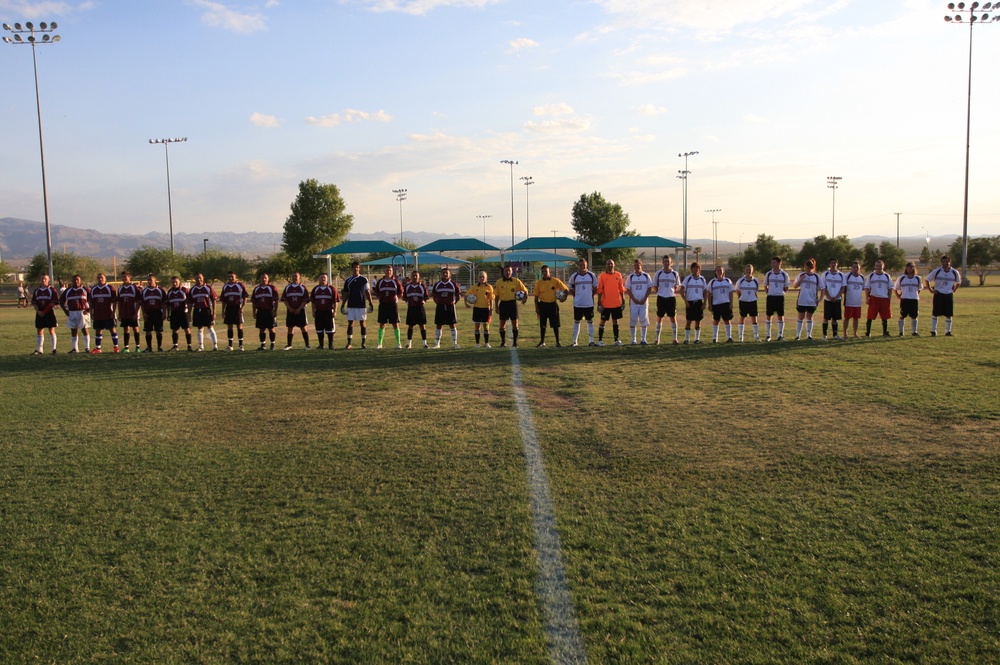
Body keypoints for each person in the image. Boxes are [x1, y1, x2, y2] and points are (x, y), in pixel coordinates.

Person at [925, 255, 961, 337]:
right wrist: (931, 290)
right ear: (941, 262)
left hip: (948, 294)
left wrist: (954, 290)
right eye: (943, 262)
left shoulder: (954, 272)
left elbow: (958, 282)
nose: (945, 263)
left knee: (949, 314)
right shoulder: (937, 271)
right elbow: (927, 280)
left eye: (947, 261)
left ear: (949, 262)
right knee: (935, 313)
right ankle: (933, 331)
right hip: (938, 293)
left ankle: (948, 331)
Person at [533, 264, 568, 347]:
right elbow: (536, 297)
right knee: (543, 325)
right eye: (543, 271)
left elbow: (566, 289)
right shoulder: (538, 283)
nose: (545, 273)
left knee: (555, 324)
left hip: (553, 305)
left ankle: (558, 342)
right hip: (543, 305)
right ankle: (542, 341)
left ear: (549, 271)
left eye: (546, 271)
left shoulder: (555, 281)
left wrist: (564, 298)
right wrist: (537, 308)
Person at [494, 264, 528, 348]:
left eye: (509, 270)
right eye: (506, 270)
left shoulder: (516, 281)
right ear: (503, 272)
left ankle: (515, 342)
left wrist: (525, 298)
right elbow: (496, 295)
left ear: (512, 272)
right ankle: (503, 342)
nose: (507, 272)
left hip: (513, 304)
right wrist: (496, 306)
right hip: (503, 304)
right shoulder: (499, 282)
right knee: (502, 323)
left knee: (515, 323)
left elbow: (525, 290)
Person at [341, 261, 373, 349]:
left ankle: (363, 343)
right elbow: (346, 294)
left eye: (357, 267)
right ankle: (349, 343)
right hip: (351, 305)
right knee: (350, 323)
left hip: (361, 304)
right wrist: (343, 304)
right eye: (354, 267)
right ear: (352, 268)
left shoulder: (364, 279)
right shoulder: (348, 280)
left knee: (362, 323)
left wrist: (370, 302)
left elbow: (367, 292)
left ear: (359, 268)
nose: (356, 268)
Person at [567, 258, 598, 346]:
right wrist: (576, 296)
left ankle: (591, 341)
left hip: (588, 303)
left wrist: (590, 295)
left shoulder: (591, 275)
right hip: (578, 303)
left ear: (586, 265)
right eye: (580, 265)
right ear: (578, 266)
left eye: (583, 265)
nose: (582, 266)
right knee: (577, 321)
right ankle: (574, 341)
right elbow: (571, 288)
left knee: (590, 321)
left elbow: (595, 287)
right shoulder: (574, 276)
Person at [652, 255, 681, 345]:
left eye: (668, 261)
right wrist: (661, 293)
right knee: (659, 317)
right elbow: (654, 286)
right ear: (662, 262)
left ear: (671, 263)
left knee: (673, 317)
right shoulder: (658, 273)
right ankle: (657, 339)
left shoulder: (675, 274)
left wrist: (670, 292)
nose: (666, 263)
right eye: (665, 261)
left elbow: (677, 286)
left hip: (671, 298)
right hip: (661, 298)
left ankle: (675, 339)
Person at [596, 259, 626, 346]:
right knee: (603, 321)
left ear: (614, 265)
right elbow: (600, 289)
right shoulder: (602, 276)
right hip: (606, 303)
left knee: (615, 321)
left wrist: (623, 299)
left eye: (611, 264)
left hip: (616, 303)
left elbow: (621, 288)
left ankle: (616, 340)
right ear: (606, 265)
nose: (610, 265)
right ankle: (600, 341)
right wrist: (599, 301)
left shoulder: (618, 275)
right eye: (608, 264)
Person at [431, 267, 462, 349]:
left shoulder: (454, 284)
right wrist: (438, 302)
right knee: (439, 325)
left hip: (450, 306)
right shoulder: (437, 284)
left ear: (449, 274)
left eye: (446, 273)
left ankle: (455, 343)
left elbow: (458, 296)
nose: (445, 274)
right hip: (440, 306)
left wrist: (453, 303)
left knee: (452, 324)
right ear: (441, 274)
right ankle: (437, 344)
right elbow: (434, 296)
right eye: (443, 273)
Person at [374, 266, 404, 349]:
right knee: (382, 324)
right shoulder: (380, 282)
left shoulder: (395, 281)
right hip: (383, 305)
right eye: (387, 270)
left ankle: (398, 343)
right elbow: (376, 292)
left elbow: (401, 292)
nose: (388, 272)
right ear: (384, 271)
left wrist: (397, 298)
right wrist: (380, 298)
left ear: (392, 271)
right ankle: (379, 343)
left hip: (393, 305)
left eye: (390, 270)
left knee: (395, 323)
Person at [60, 274, 91, 353]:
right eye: (74, 280)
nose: (76, 281)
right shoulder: (68, 290)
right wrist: (65, 310)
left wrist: (88, 310)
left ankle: (87, 348)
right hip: (72, 312)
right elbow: (61, 301)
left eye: (77, 279)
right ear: (72, 281)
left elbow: (92, 300)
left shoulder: (85, 290)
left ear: (80, 280)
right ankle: (75, 348)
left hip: (83, 312)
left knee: (84, 329)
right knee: (74, 330)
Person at [89, 272, 119, 354]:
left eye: (102, 277)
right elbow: (91, 302)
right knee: (98, 330)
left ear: (105, 278)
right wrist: (91, 312)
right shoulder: (94, 289)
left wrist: (113, 312)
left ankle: (116, 347)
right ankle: (98, 348)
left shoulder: (110, 288)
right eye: (99, 278)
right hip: (98, 313)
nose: (100, 279)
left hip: (108, 313)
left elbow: (114, 302)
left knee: (112, 329)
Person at [624, 259, 652, 345]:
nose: (636, 267)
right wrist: (634, 299)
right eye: (635, 265)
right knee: (633, 320)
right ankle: (633, 339)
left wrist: (644, 299)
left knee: (643, 320)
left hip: (644, 302)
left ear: (641, 265)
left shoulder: (646, 276)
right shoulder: (631, 276)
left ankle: (643, 339)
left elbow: (649, 288)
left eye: (638, 265)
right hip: (634, 303)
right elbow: (628, 289)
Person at [792, 259, 821, 340]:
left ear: (813, 268)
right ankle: (798, 335)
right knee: (800, 317)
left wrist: (820, 298)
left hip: (812, 301)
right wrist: (800, 280)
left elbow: (822, 288)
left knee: (809, 317)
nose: (807, 270)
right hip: (802, 300)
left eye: (809, 268)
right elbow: (794, 286)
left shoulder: (816, 276)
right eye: (806, 268)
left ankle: (809, 335)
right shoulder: (801, 275)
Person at [281, 272, 311, 350]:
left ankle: (307, 345)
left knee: (303, 327)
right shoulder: (288, 287)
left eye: (296, 276)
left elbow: (305, 300)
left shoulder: (302, 287)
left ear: (299, 277)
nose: (295, 277)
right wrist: (290, 308)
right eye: (293, 276)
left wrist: (299, 309)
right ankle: (289, 345)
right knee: (290, 327)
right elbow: (284, 299)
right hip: (290, 310)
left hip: (300, 310)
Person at [220, 270, 249, 351]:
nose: (231, 278)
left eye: (232, 276)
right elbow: (223, 300)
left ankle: (241, 345)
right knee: (229, 326)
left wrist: (242, 307)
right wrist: (223, 310)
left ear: (236, 277)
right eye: (229, 276)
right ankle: (230, 345)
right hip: (229, 308)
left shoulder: (240, 285)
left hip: (237, 307)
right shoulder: (225, 286)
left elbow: (245, 296)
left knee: (239, 325)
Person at [189, 273, 219, 351]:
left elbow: (214, 300)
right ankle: (201, 346)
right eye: (196, 278)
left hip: (206, 309)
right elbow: (190, 302)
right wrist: (189, 313)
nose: (198, 279)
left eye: (200, 278)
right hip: (197, 310)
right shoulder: (192, 289)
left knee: (210, 327)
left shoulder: (208, 288)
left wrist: (214, 312)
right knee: (200, 328)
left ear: (203, 278)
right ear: (194, 279)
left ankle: (215, 346)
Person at [31, 274, 60, 355]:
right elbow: (34, 303)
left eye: (45, 279)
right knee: (39, 330)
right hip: (39, 312)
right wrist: (38, 311)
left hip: (49, 312)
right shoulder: (37, 291)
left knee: (51, 329)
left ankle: (54, 349)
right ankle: (40, 349)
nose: (43, 280)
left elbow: (53, 302)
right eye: (42, 279)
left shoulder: (52, 290)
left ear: (48, 280)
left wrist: (44, 311)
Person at [465, 271, 495, 348]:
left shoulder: (489, 287)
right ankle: (477, 343)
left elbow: (491, 299)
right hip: (477, 309)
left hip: (486, 309)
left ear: (486, 278)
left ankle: (487, 343)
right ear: (478, 278)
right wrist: (466, 303)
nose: (481, 278)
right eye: (480, 277)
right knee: (477, 326)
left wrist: (491, 309)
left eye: (483, 277)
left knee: (486, 326)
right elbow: (466, 295)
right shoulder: (475, 287)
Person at [864, 259, 893, 337]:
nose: (878, 267)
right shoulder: (871, 275)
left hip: (884, 298)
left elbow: (890, 288)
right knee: (870, 316)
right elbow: (867, 288)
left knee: (885, 316)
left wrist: (889, 298)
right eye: (877, 266)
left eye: (880, 266)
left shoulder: (887, 276)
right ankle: (868, 332)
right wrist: (867, 298)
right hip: (874, 298)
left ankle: (885, 332)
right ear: (875, 266)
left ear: (883, 266)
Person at [764, 256, 790, 341]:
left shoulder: (784, 274)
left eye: (774, 262)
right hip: (771, 297)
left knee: (780, 315)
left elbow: (786, 287)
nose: (772, 264)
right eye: (772, 262)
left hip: (780, 297)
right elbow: (765, 285)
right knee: (769, 315)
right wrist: (769, 292)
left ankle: (780, 335)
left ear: (779, 263)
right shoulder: (769, 274)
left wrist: (780, 292)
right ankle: (768, 335)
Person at [311, 273, 340, 349]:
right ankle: (321, 345)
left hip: (328, 312)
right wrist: (313, 311)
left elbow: (335, 301)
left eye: (324, 278)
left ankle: (331, 344)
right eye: (321, 278)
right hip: (319, 311)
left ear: (327, 279)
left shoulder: (332, 289)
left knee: (330, 329)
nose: (323, 279)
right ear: (319, 279)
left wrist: (335, 311)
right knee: (319, 329)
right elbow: (313, 302)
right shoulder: (315, 289)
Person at [706, 265, 735, 343]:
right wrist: (710, 305)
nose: (719, 271)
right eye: (717, 270)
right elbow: (708, 293)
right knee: (716, 321)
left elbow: (731, 292)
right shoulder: (712, 282)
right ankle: (715, 338)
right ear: (715, 272)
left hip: (726, 303)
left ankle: (729, 337)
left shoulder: (727, 281)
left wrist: (731, 303)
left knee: (727, 320)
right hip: (716, 304)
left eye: (720, 270)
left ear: (723, 271)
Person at [680, 262, 707, 344]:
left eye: (697, 268)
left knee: (698, 321)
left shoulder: (702, 279)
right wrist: (685, 301)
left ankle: (697, 339)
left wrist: (704, 303)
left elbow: (705, 291)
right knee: (689, 321)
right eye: (694, 268)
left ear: (699, 270)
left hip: (699, 302)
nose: (695, 269)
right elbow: (681, 290)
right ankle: (686, 339)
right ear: (691, 269)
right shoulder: (688, 278)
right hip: (690, 303)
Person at [140, 274, 168, 352]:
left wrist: (164, 313)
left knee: (158, 330)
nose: (149, 281)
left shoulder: (160, 290)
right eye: (148, 280)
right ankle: (149, 348)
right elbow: (142, 304)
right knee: (148, 331)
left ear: (155, 280)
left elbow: (164, 304)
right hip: (148, 313)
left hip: (158, 312)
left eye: (150, 280)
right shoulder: (144, 291)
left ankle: (160, 347)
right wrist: (144, 314)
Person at [251, 273, 279, 350]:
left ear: (268, 279)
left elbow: (276, 301)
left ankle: (272, 345)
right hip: (260, 311)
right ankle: (263, 345)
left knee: (271, 328)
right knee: (262, 328)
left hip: (269, 311)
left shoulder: (272, 288)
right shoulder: (257, 289)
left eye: (265, 278)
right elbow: (254, 302)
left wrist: (275, 311)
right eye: (262, 278)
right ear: (260, 279)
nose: (263, 279)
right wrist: (254, 312)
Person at [116, 271, 142, 353]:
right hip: (124, 312)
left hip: (133, 312)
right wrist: (119, 313)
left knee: (135, 328)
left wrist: (136, 312)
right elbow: (119, 302)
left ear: (129, 277)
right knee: (126, 329)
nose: (124, 278)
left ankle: (137, 347)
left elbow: (138, 301)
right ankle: (126, 347)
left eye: (125, 276)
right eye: (122, 277)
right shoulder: (120, 289)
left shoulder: (134, 287)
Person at [166, 276, 194, 351]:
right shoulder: (170, 292)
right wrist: (168, 314)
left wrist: (188, 312)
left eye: (176, 282)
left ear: (179, 282)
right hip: (174, 313)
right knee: (174, 329)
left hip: (183, 313)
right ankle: (175, 346)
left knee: (187, 329)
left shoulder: (184, 290)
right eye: (173, 282)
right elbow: (168, 304)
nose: (174, 284)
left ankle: (189, 346)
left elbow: (189, 302)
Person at [404, 270, 430, 348]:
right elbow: (404, 297)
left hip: (420, 308)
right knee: (410, 325)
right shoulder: (408, 286)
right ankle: (409, 344)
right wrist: (408, 302)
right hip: (411, 308)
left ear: (419, 277)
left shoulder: (422, 286)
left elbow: (426, 296)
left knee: (422, 325)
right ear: (411, 277)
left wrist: (423, 301)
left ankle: (424, 343)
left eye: (416, 275)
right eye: (413, 275)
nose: (415, 277)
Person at [820, 258, 845, 340]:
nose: (833, 264)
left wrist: (837, 297)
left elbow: (843, 287)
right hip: (828, 299)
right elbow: (823, 287)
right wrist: (829, 297)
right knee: (826, 318)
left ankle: (835, 335)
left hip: (837, 299)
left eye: (835, 263)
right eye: (831, 263)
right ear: (829, 264)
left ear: (837, 264)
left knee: (835, 318)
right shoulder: (825, 274)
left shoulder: (841, 275)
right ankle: (824, 335)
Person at [734, 264, 761, 342]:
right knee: (742, 318)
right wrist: (741, 297)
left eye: (750, 269)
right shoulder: (740, 281)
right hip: (743, 301)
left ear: (752, 270)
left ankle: (756, 336)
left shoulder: (756, 280)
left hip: (753, 301)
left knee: (754, 319)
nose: (748, 271)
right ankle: (740, 337)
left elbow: (756, 290)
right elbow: (737, 291)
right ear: (744, 270)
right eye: (747, 269)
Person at [895, 262, 923, 337]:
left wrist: (915, 295)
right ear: (906, 268)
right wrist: (898, 295)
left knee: (914, 316)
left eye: (911, 267)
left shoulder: (917, 278)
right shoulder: (902, 278)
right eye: (908, 267)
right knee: (903, 315)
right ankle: (901, 332)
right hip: (905, 299)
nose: (909, 269)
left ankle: (914, 332)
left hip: (914, 299)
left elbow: (919, 289)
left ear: (914, 268)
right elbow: (895, 288)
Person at [843, 261, 866, 339]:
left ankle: (855, 333)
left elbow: (863, 288)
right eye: (854, 267)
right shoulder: (847, 276)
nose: (856, 269)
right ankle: (845, 334)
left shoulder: (862, 277)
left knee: (856, 318)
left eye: (857, 267)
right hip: (849, 301)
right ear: (851, 268)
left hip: (858, 302)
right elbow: (843, 288)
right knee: (847, 318)